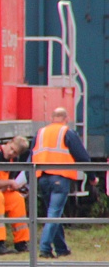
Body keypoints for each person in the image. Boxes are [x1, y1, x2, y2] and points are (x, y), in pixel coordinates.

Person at [33, 107, 91, 259]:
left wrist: (28, 179)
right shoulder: (67, 132)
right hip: (60, 177)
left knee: (53, 213)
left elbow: (31, 157)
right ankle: (45, 248)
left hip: (42, 177)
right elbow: (82, 157)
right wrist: (91, 176)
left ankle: (61, 248)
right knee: (54, 213)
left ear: (52, 118)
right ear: (66, 118)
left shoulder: (41, 132)